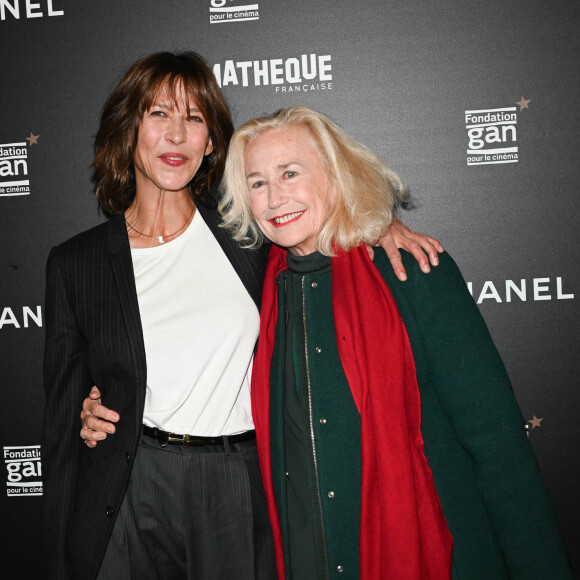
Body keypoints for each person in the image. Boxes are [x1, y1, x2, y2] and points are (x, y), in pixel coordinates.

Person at [43, 53, 441, 580]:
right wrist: (86, 419)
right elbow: (63, 424)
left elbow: (318, 210)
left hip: (234, 482)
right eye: (160, 114)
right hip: (130, 483)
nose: (177, 135)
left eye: (194, 118)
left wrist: (380, 224)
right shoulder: (76, 264)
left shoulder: (248, 237)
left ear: (210, 142)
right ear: (129, 129)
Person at [216, 106, 573, 579]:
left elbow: (497, 445)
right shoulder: (258, 291)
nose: (274, 197)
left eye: (290, 173)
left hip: (435, 557)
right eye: (257, 182)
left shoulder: (411, 273)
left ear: (334, 175)